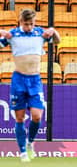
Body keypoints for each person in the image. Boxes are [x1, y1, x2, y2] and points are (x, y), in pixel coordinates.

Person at [0, 9, 60, 162]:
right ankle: (22, 152)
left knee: (37, 116)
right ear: (21, 22)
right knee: (19, 118)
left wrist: (54, 31)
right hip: (19, 80)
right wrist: (1, 32)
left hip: (35, 80)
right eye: (27, 24)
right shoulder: (13, 35)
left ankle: (30, 142)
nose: (29, 27)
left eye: (32, 24)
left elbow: (57, 41)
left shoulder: (39, 33)